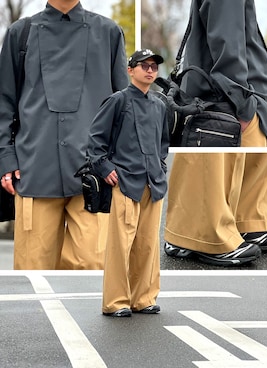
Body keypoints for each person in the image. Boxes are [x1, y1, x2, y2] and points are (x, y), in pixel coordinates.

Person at [0, 0, 129, 270]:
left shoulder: (108, 33)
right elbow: (4, 102)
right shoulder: (19, 33)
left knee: (94, 270)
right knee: (33, 277)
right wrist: (6, 159)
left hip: (95, 174)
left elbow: (125, 109)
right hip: (34, 170)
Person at [164, 0, 267, 266]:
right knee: (213, 162)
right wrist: (239, 98)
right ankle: (199, 235)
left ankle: (246, 222)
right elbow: (227, 34)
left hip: (250, 88)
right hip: (230, 92)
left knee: (253, 158)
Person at [87, 49, 169, 317]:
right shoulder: (117, 101)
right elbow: (95, 140)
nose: (150, 70)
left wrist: (161, 167)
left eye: (154, 66)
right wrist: (105, 167)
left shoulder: (160, 105)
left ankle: (143, 298)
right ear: (130, 70)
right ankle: (116, 301)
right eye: (143, 66)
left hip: (153, 183)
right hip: (125, 181)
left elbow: (163, 144)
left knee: (147, 245)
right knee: (120, 246)